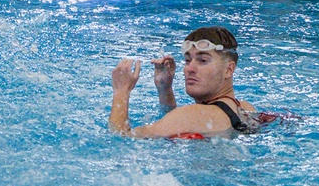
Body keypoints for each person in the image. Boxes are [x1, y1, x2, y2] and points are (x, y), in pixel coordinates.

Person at [109, 26, 272, 139]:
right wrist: (165, 89)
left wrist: (121, 91)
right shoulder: (245, 108)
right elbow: (178, 123)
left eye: (202, 60)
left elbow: (121, 137)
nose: (189, 68)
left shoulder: (192, 114)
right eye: (187, 60)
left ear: (229, 70)